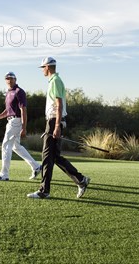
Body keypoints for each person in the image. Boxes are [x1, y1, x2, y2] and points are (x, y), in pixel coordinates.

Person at [27, 57, 90, 199]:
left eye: (43, 67)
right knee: (54, 157)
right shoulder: (55, 81)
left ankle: (44, 191)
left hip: (54, 121)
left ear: (48, 67)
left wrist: (56, 126)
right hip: (55, 120)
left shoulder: (54, 81)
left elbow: (59, 104)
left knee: (47, 157)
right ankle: (81, 180)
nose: (42, 70)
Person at [0, 72, 41, 181]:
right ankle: (36, 166)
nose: (9, 80)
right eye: (7, 78)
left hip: (16, 121)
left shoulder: (19, 92)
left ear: (15, 79)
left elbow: (23, 110)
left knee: (6, 145)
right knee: (15, 147)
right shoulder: (8, 93)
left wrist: (24, 127)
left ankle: (4, 174)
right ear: (5, 80)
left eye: (11, 78)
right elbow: (8, 111)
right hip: (11, 121)